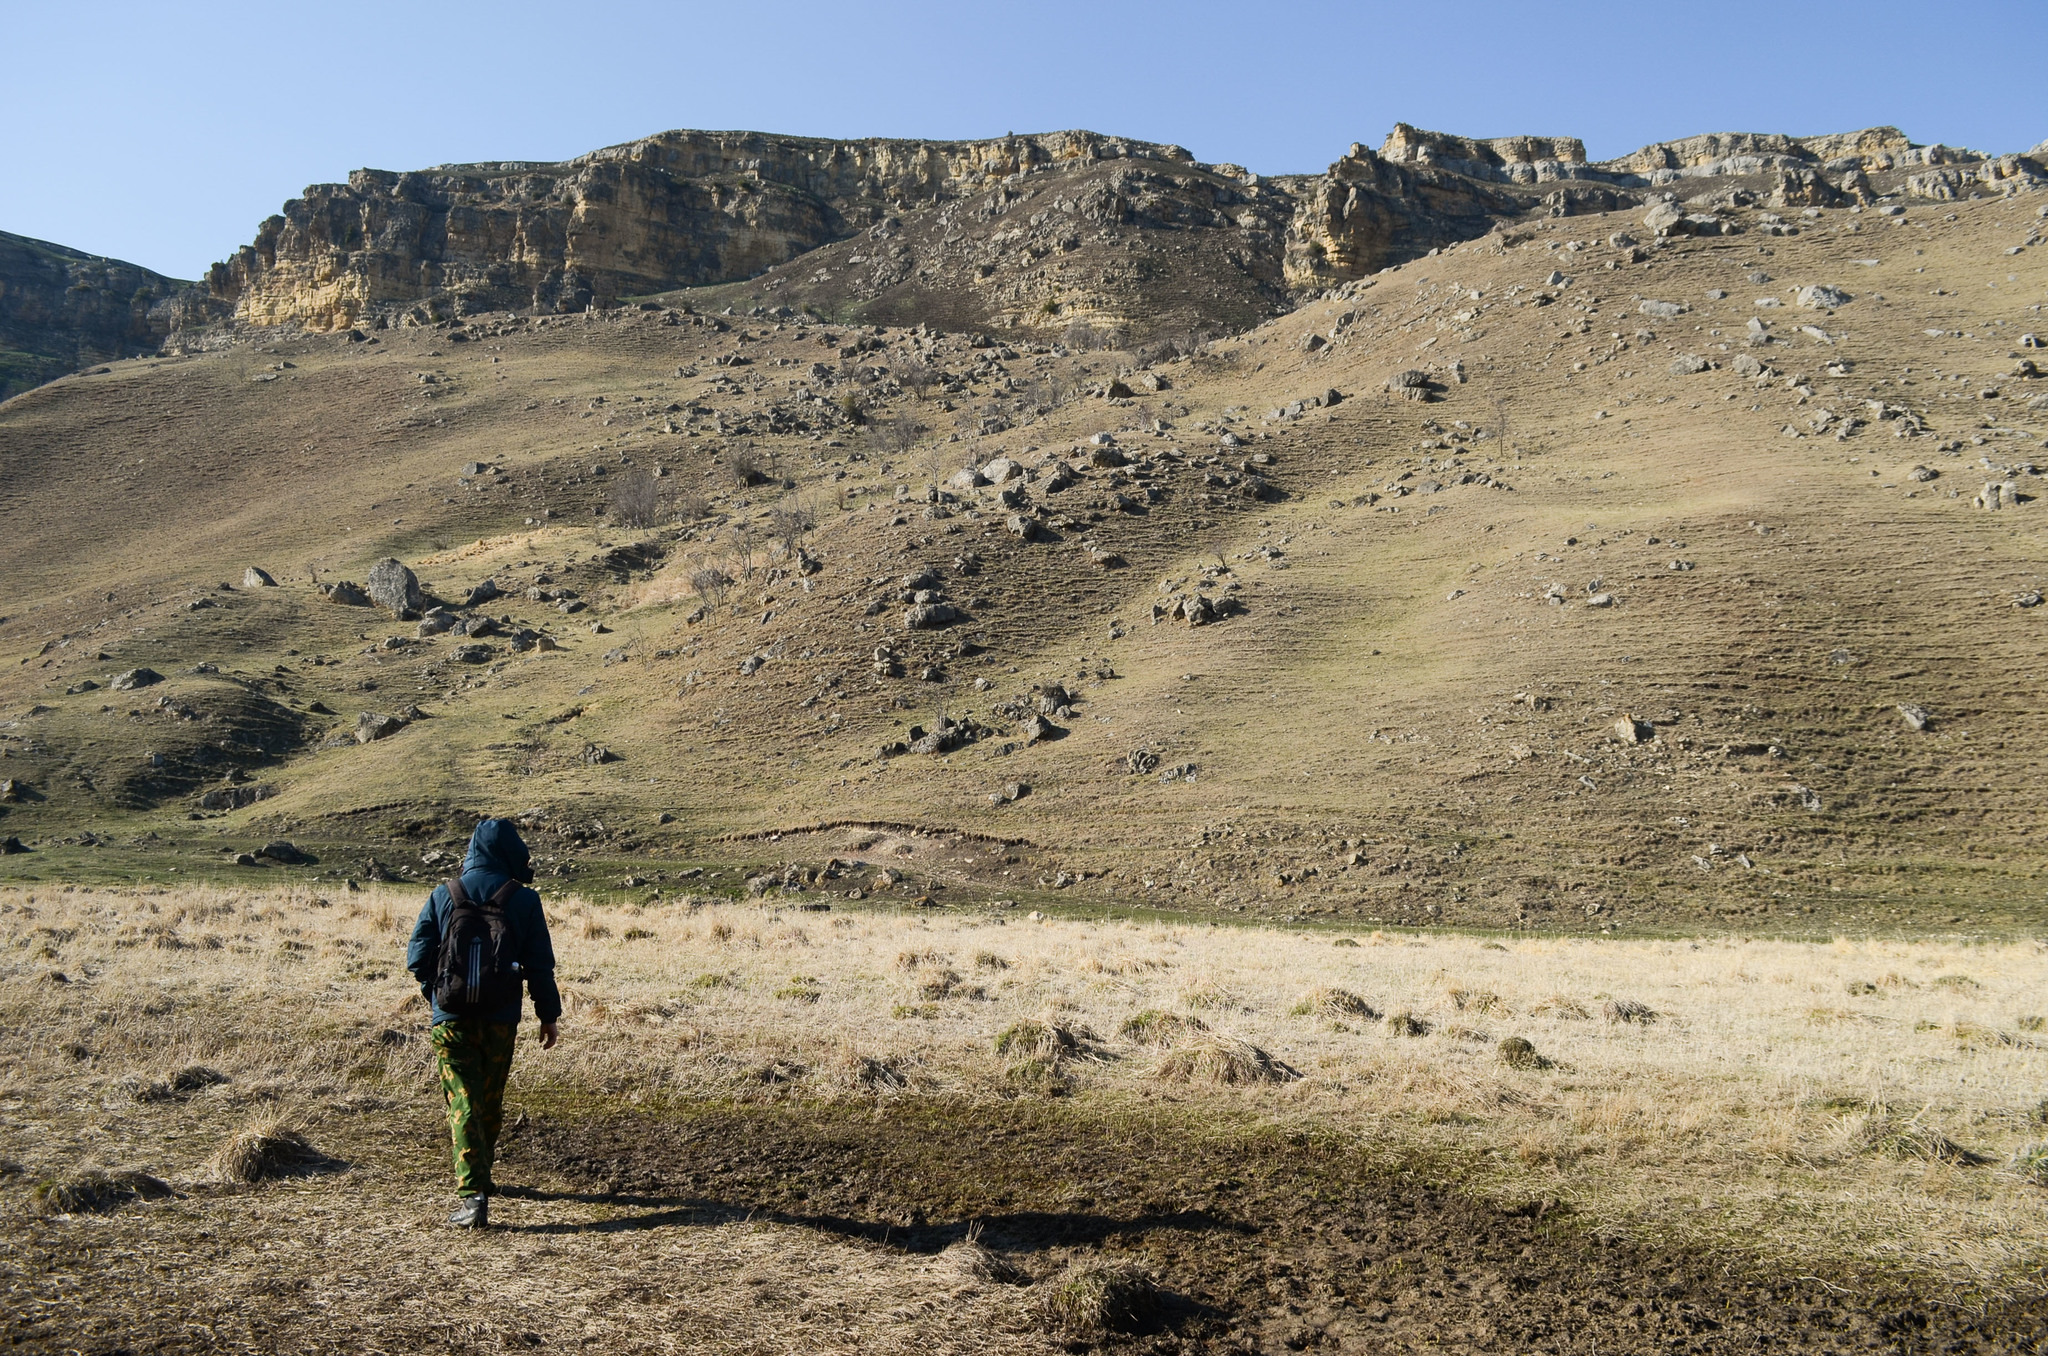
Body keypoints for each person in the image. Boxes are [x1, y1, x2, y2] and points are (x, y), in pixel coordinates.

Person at [405, 817, 561, 1229]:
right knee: (488, 1101)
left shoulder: (445, 894)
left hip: (451, 1020)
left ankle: (474, 1193)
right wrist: (549, 1016)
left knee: (463, 1101)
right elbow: (540, 966)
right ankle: (480, 1180)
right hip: (500, 1019)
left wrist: (436, 996)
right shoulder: (523, 899)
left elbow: (417, 957)